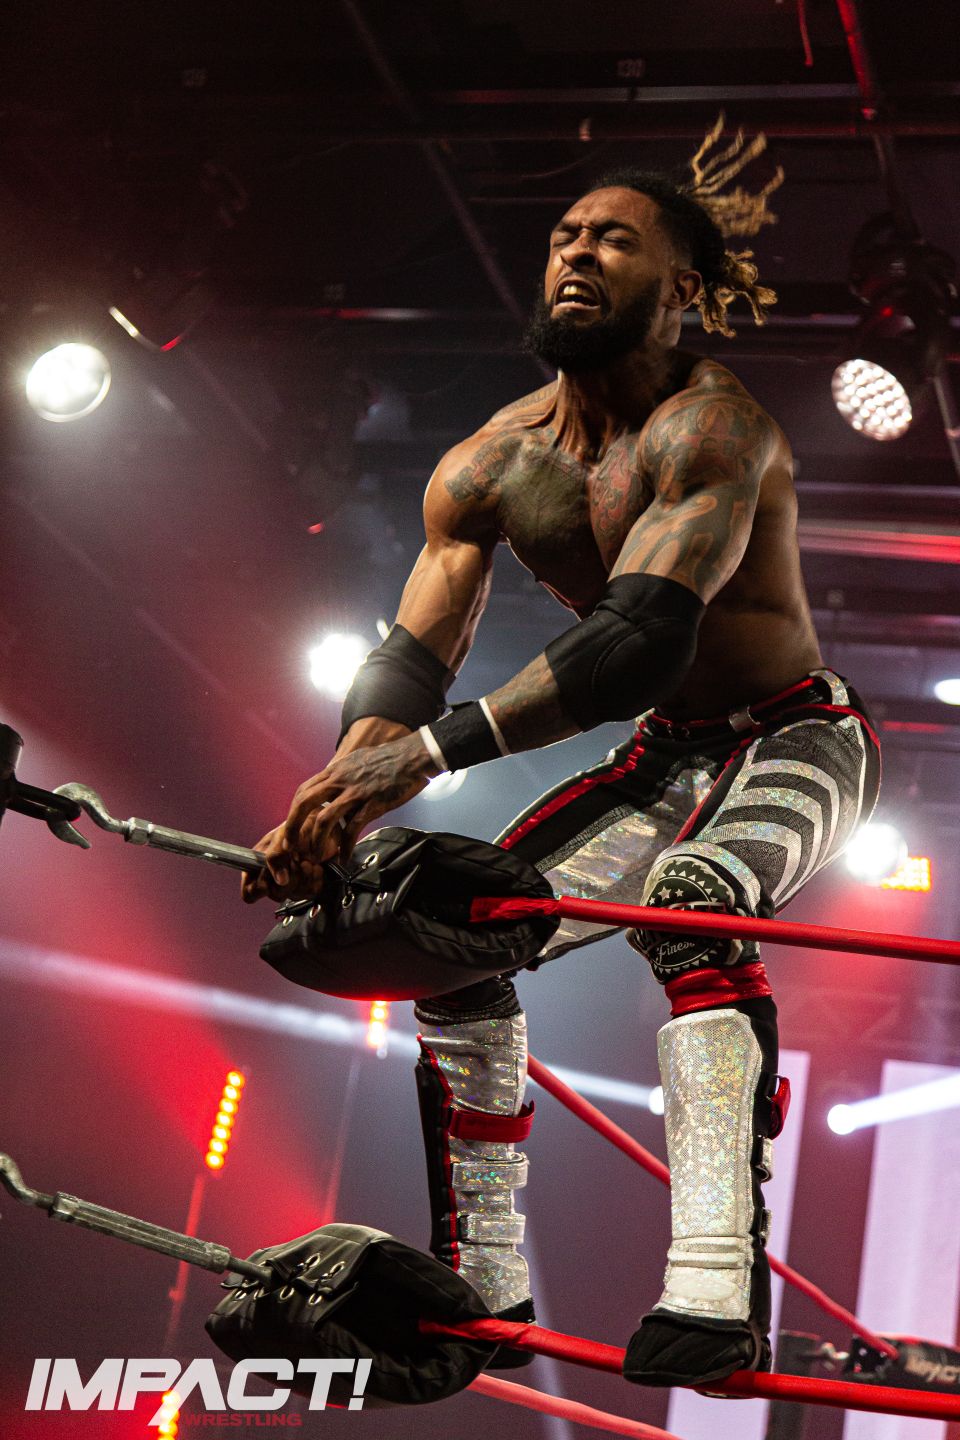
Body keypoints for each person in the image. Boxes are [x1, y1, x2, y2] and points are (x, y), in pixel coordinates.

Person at [242, 122, 880, 1388]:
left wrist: (415, 762)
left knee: (694, 902)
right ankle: (484, 1282)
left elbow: (634, 641)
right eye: (565, 236)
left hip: (799, 732)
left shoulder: (714, 431)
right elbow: (410, 662)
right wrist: (335, 796)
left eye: (614, 240)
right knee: (457, 940)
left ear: (681, 284)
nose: (578, 254)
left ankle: (713, 1287)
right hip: (664, 755)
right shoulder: (493, 460)